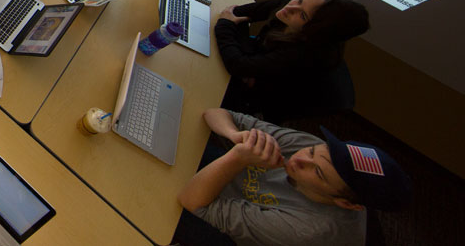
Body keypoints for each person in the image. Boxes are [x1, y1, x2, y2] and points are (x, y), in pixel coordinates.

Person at [176, 108, 410, 246]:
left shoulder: (314, 229)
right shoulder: (318, 149)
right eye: (312, 153)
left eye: (317, 172)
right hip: (226, 180)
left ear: (345, 203)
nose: (301, 159)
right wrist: (236, 135)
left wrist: (238, 157)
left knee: (157, 211)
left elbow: (192, 202)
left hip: (231, 232)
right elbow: (215, 113)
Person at [216, 0, 369, 121]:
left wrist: (226, 26)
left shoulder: (306, 54)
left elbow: (238, 65)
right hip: (258, 65)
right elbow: (238, 13)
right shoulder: (292, 6)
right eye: (301, 0)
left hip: (266, 97)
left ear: (314, 32)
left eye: (302, 15)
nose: (290, 7)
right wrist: (245, 57)